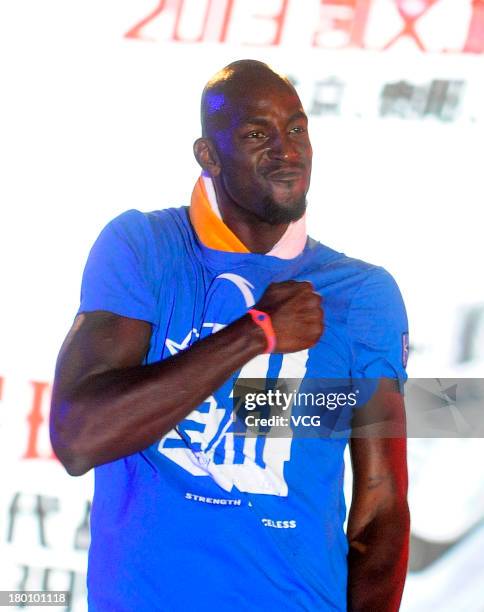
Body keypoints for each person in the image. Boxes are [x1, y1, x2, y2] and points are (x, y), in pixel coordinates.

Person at [50, 59, 410, 611]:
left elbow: (381, 504)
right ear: (208, 156)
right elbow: (78, 440)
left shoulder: (363, 294)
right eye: (256, 134)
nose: (286, 151)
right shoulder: (144, 247)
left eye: (296, 128)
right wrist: (254, 333)